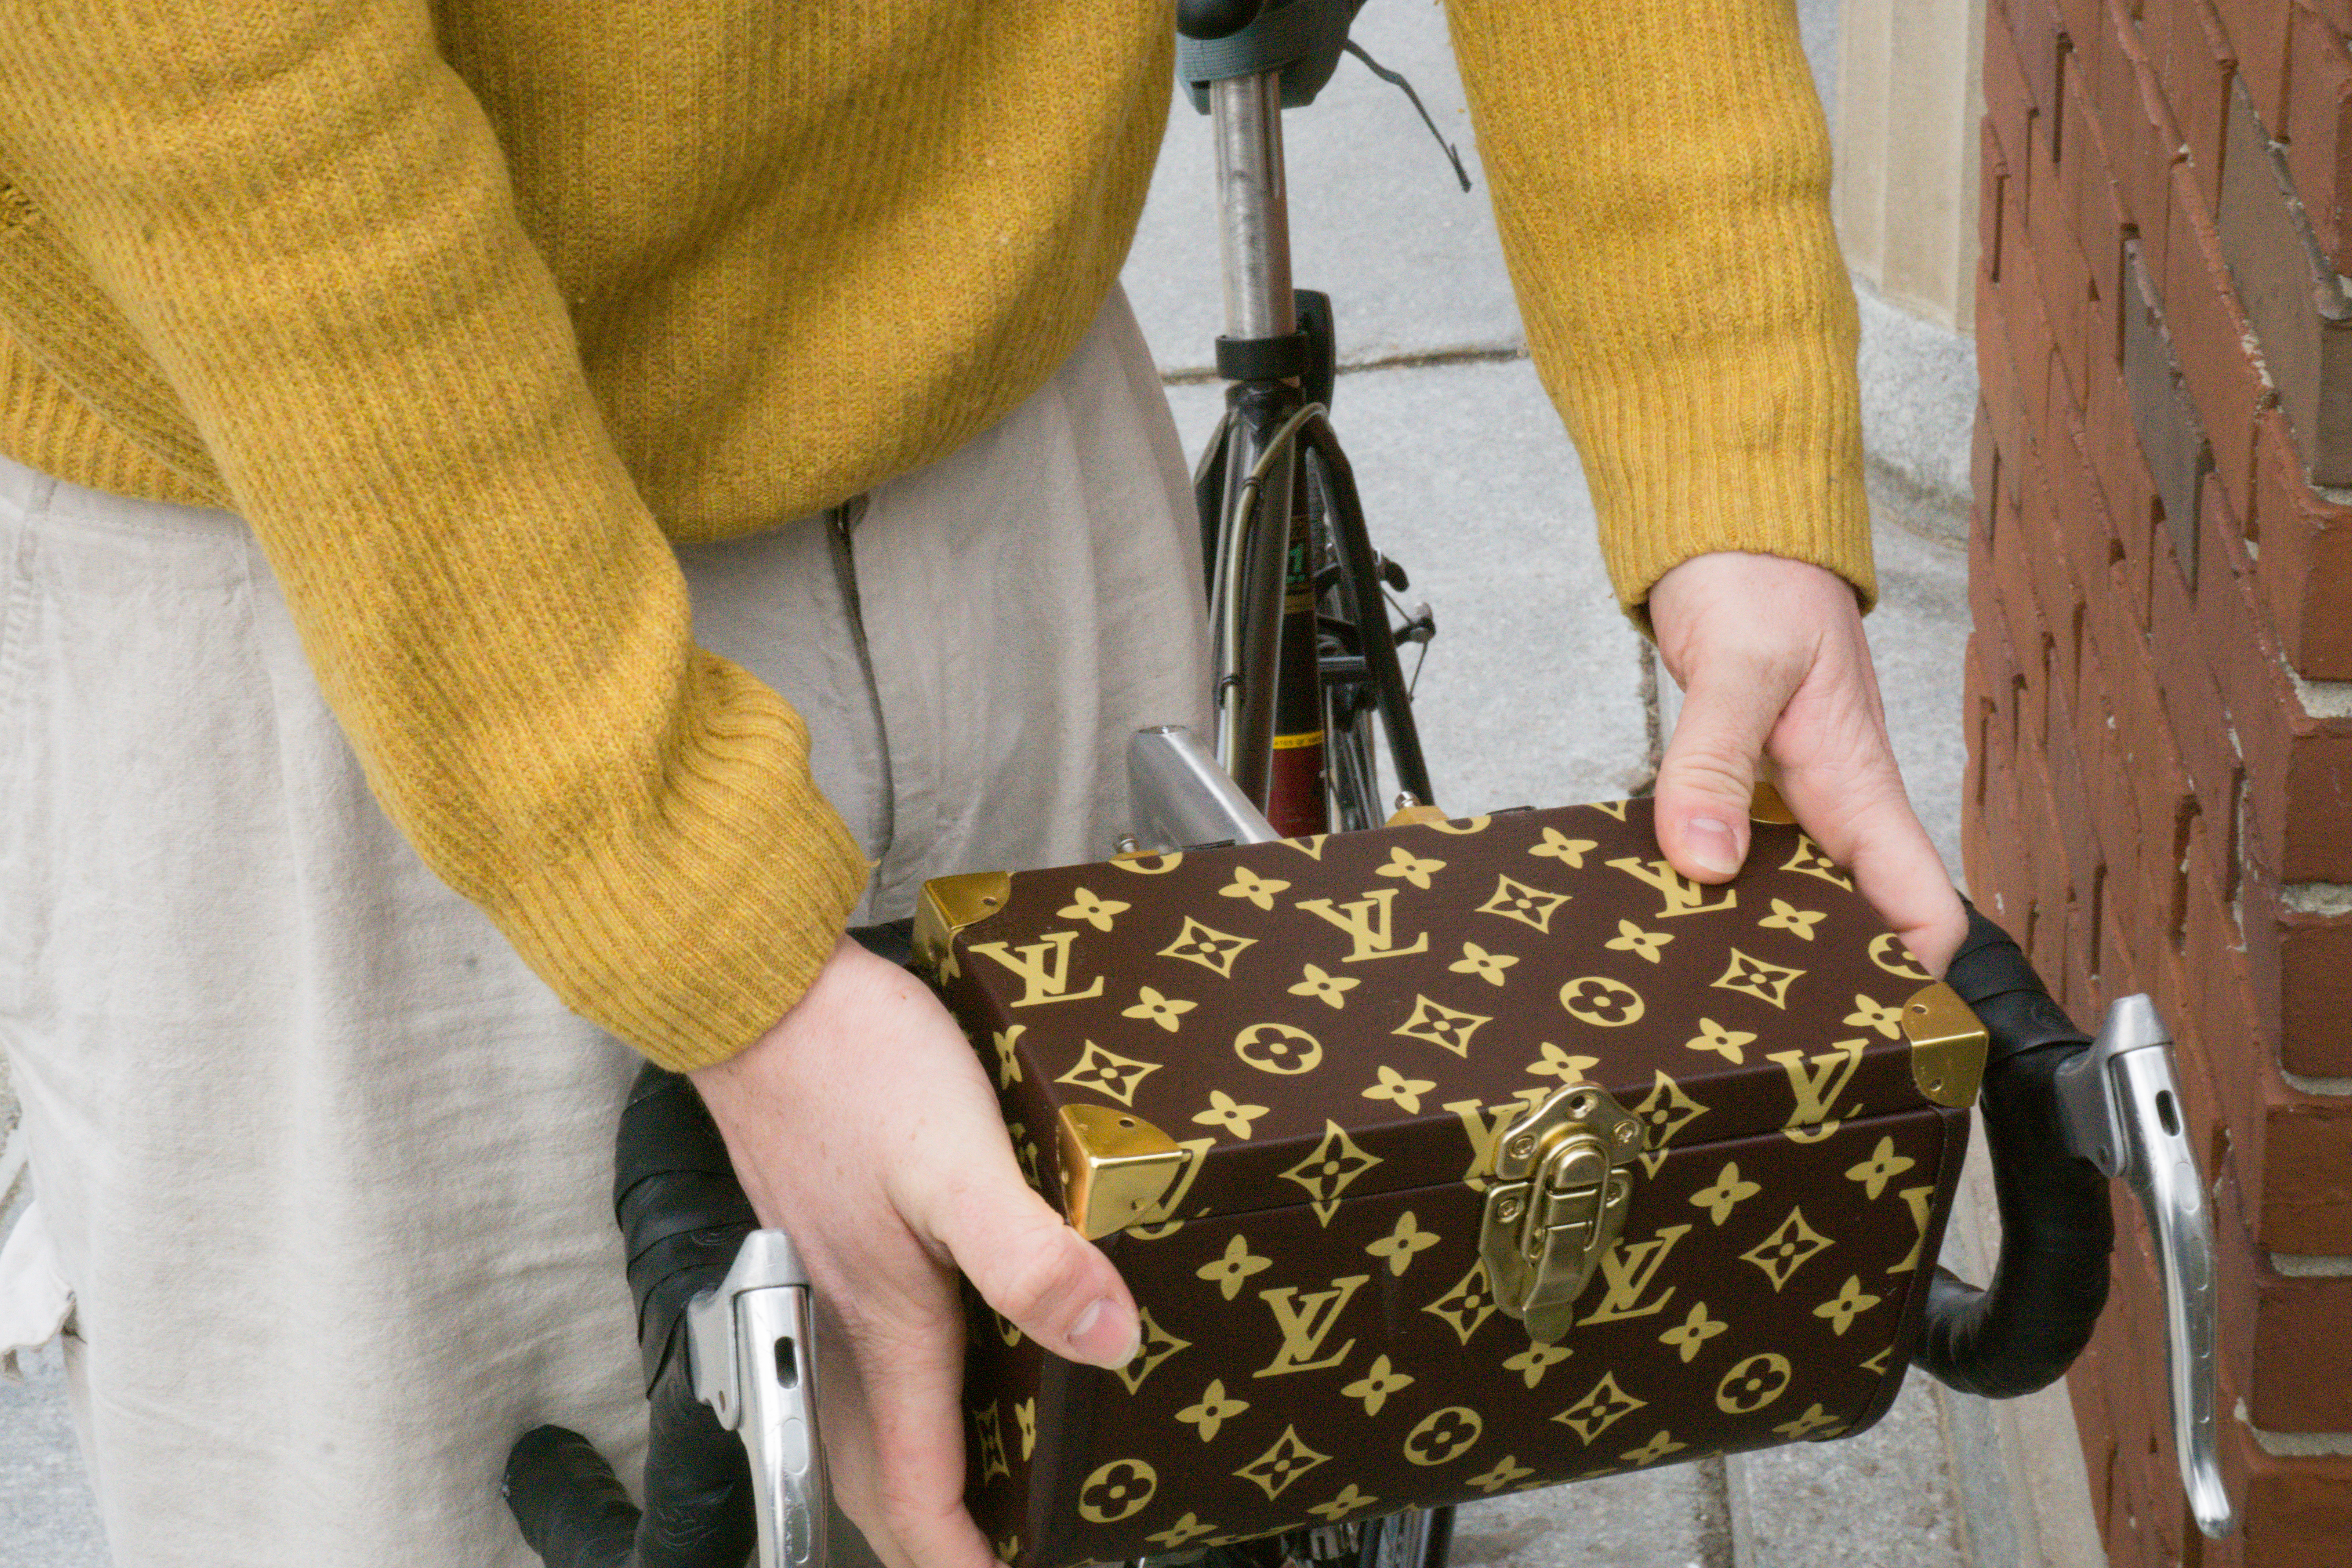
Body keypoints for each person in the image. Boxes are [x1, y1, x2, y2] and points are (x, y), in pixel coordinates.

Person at [0, 1, 1969, 1564]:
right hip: (335, 541)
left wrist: (1729, 462)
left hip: (998, 437)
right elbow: (208, 81)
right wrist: (710, 931)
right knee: (417, 1506)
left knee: (1092, 1480)